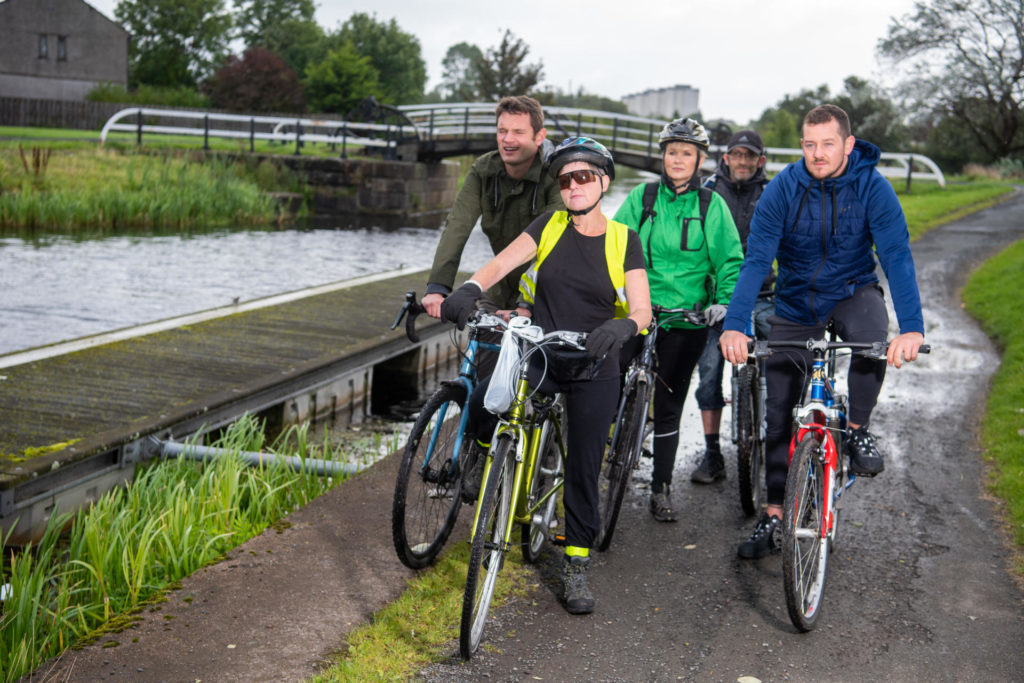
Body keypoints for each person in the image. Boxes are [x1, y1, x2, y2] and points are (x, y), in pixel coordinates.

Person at [441, 137, 652, 615]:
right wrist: (470, 288)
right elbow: (502, 263)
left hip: (594, 362)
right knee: (490, 393)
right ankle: (484, 456)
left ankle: (576, 562)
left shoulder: (625, 240)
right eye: (565, 178)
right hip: (543, 351)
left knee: (583, 463)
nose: (573, 185)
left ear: (603, 182)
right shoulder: (550, 225)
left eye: (583, 176)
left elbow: (642, 307)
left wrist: (623, 325)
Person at [719, 104, 925, 559]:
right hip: (796, 299)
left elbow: (896, 255)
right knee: (778, 412)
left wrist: (911, 328)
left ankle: (855, 428)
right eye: (809, 144)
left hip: (853, 288)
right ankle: (774, 516)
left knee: (872, 334)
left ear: (848, 145)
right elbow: (757, 262)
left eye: (828, 143)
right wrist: (735, 323)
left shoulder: (873, 187)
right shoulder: (782, 190)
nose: (817, 153)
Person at [613, 118, 744, 522]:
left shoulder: (711, 205)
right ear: (663, 156)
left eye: (686, 153)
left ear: (700, 160)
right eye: (672, 152)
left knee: (669, 404)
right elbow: (613, 243)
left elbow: (730, 260)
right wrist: (612, 290)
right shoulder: (642, 197)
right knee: (607, 379)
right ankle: (607, 447)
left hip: (686, 319)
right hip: (639, 312)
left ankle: (660, 488)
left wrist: (722, 302)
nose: (678, 159)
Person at [422, 95, 561, 318]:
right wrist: (438, 287)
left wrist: (526, 305)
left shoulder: (556, 174)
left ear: (539, 137)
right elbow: (457, 225)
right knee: (480, 348)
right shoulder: (483, 170)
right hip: (500, 291)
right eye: (502, 131)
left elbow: (553, 241)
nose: (508, 139)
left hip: (547, 297)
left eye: (518, 132)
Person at [690, 130, 775, 484]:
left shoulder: (773, 194)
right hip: (719, 299)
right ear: (725, 159)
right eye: (736, 155)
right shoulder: (707, 192)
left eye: (749, 156)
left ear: (761, 161)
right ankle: (712, 454)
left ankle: (775, 442)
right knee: (709, 373)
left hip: (764, 295)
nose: (742, 162)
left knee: (781, 365)